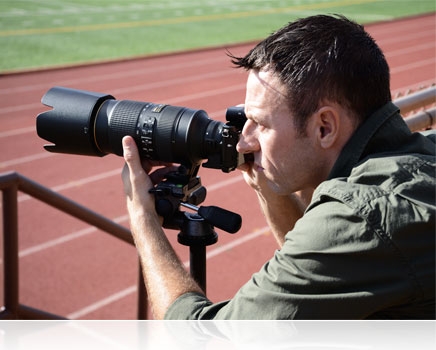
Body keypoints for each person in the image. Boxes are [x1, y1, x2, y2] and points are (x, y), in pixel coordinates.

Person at [121, 14, 435, 319]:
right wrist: (267, 186)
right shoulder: (420, 155)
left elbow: (203, 344)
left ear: (324, 127)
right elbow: (321, 275)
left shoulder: (363, 217)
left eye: (259, 123)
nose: (243, 142)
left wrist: (142, 219)